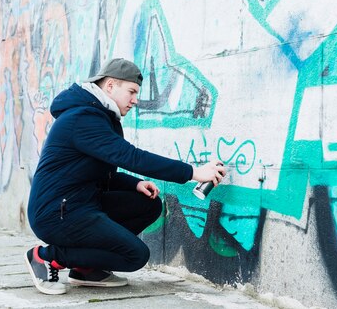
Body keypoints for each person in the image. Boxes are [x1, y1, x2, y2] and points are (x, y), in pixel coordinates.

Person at [24, 58, 226, 295]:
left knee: (148, 205)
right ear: (110, 86)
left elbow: (101, 174)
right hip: (56, 214)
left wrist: (136, 184)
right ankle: (46, 257)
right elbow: (132, 157)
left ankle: (85, 268)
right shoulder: (83, 119)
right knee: (135, 255)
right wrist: (193, 172)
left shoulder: (100, 117)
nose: (135, 100)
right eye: (131, 91)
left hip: (79, 203)